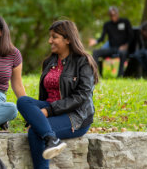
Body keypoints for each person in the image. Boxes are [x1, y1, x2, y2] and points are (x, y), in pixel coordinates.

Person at [17, 20, 98, 169]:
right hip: (51, 108)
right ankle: (51, 138)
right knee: (23, 101)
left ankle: (46, 137)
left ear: (67, 39)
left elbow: (82, 96)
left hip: (75, 115)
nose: (50, 41)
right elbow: (44, 95)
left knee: (35, 131)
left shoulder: (83, 61)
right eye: (50, 37)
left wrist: (47, 112)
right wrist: (38, 117)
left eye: (54, 37)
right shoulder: (49, 61)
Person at [89, 6, 133, 77]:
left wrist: (126, 45)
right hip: (112, 48)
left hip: (122, 48)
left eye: (114, 14)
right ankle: (95, 74)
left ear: (117, 13)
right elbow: (102, 38)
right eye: (111, 15)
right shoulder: (107, 25)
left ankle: (120, 75)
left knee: (123, 53)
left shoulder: (125, 22)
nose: (113, 17)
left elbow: (131, 36)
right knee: (95, 52)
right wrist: (96, 41)